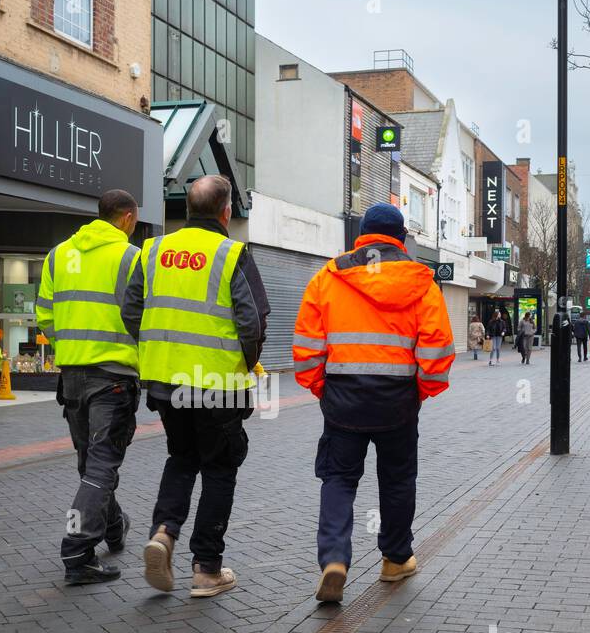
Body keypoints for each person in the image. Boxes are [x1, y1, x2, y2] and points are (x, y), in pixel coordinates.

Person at [292, 203, 454, 604]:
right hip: (398, 402)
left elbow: (307, 346)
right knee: (397, 480)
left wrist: (321, 389)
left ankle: (334, 560)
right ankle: (395, 560)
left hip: (343, 401)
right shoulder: (422, 283)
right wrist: (422, 391)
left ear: (361, 237)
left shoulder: (327, 278)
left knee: (339, 479)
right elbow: (437, 351)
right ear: (400, 239)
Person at [121, 174, 269, 598]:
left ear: (187, 209)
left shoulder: (153, 250)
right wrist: (247, 364)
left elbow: (132, 311)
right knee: (220, 469)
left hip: (167, 383)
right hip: (217, 386)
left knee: (182, 459)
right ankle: (206, 569)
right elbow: (253, 322)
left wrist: (158, 351)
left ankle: (164, 533)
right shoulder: (232, 253)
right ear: (226, 212)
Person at [36, 189, 143, 585]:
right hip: (113, 376)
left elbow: (44, 314)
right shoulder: (132, 258)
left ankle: (114, 528)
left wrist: (68, 345)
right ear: (128, 218)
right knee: (101, 466)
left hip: (72, 375)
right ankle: (77, 551)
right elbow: (141, 319)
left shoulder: (58, 254)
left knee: (90, 464)